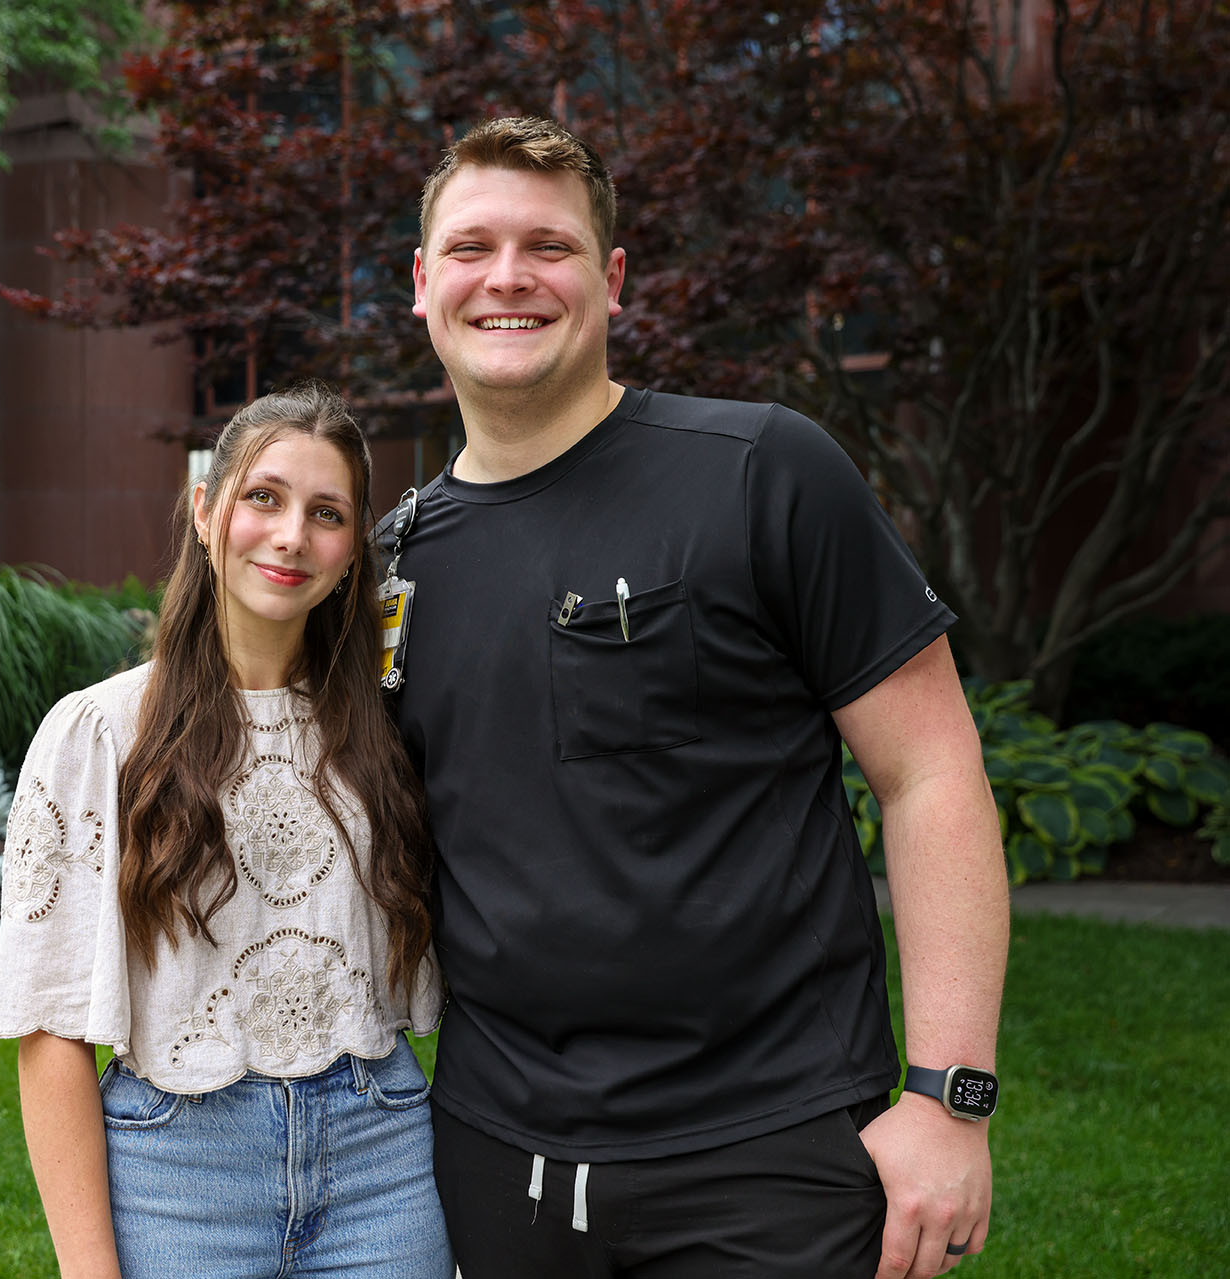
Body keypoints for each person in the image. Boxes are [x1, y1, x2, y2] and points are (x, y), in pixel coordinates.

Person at [383, 116, 1010, 1279]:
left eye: (549, 247)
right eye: (469, 248)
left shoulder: (761, 471)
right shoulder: (393, 565)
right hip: (491, 1154)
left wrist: (950, 1097)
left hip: (764, 1151)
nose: (507, 278)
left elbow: (929, 775)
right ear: (422, 285)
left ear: (612, 280)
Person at [0, 383, 453, 1279]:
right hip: (176, 1171)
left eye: (327, 513)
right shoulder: (100, 731)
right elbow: (49, 1029)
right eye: (264, 497)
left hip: (381, 1158)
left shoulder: (386, 731)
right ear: (205, 510)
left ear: (354, 550)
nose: (290, 536)